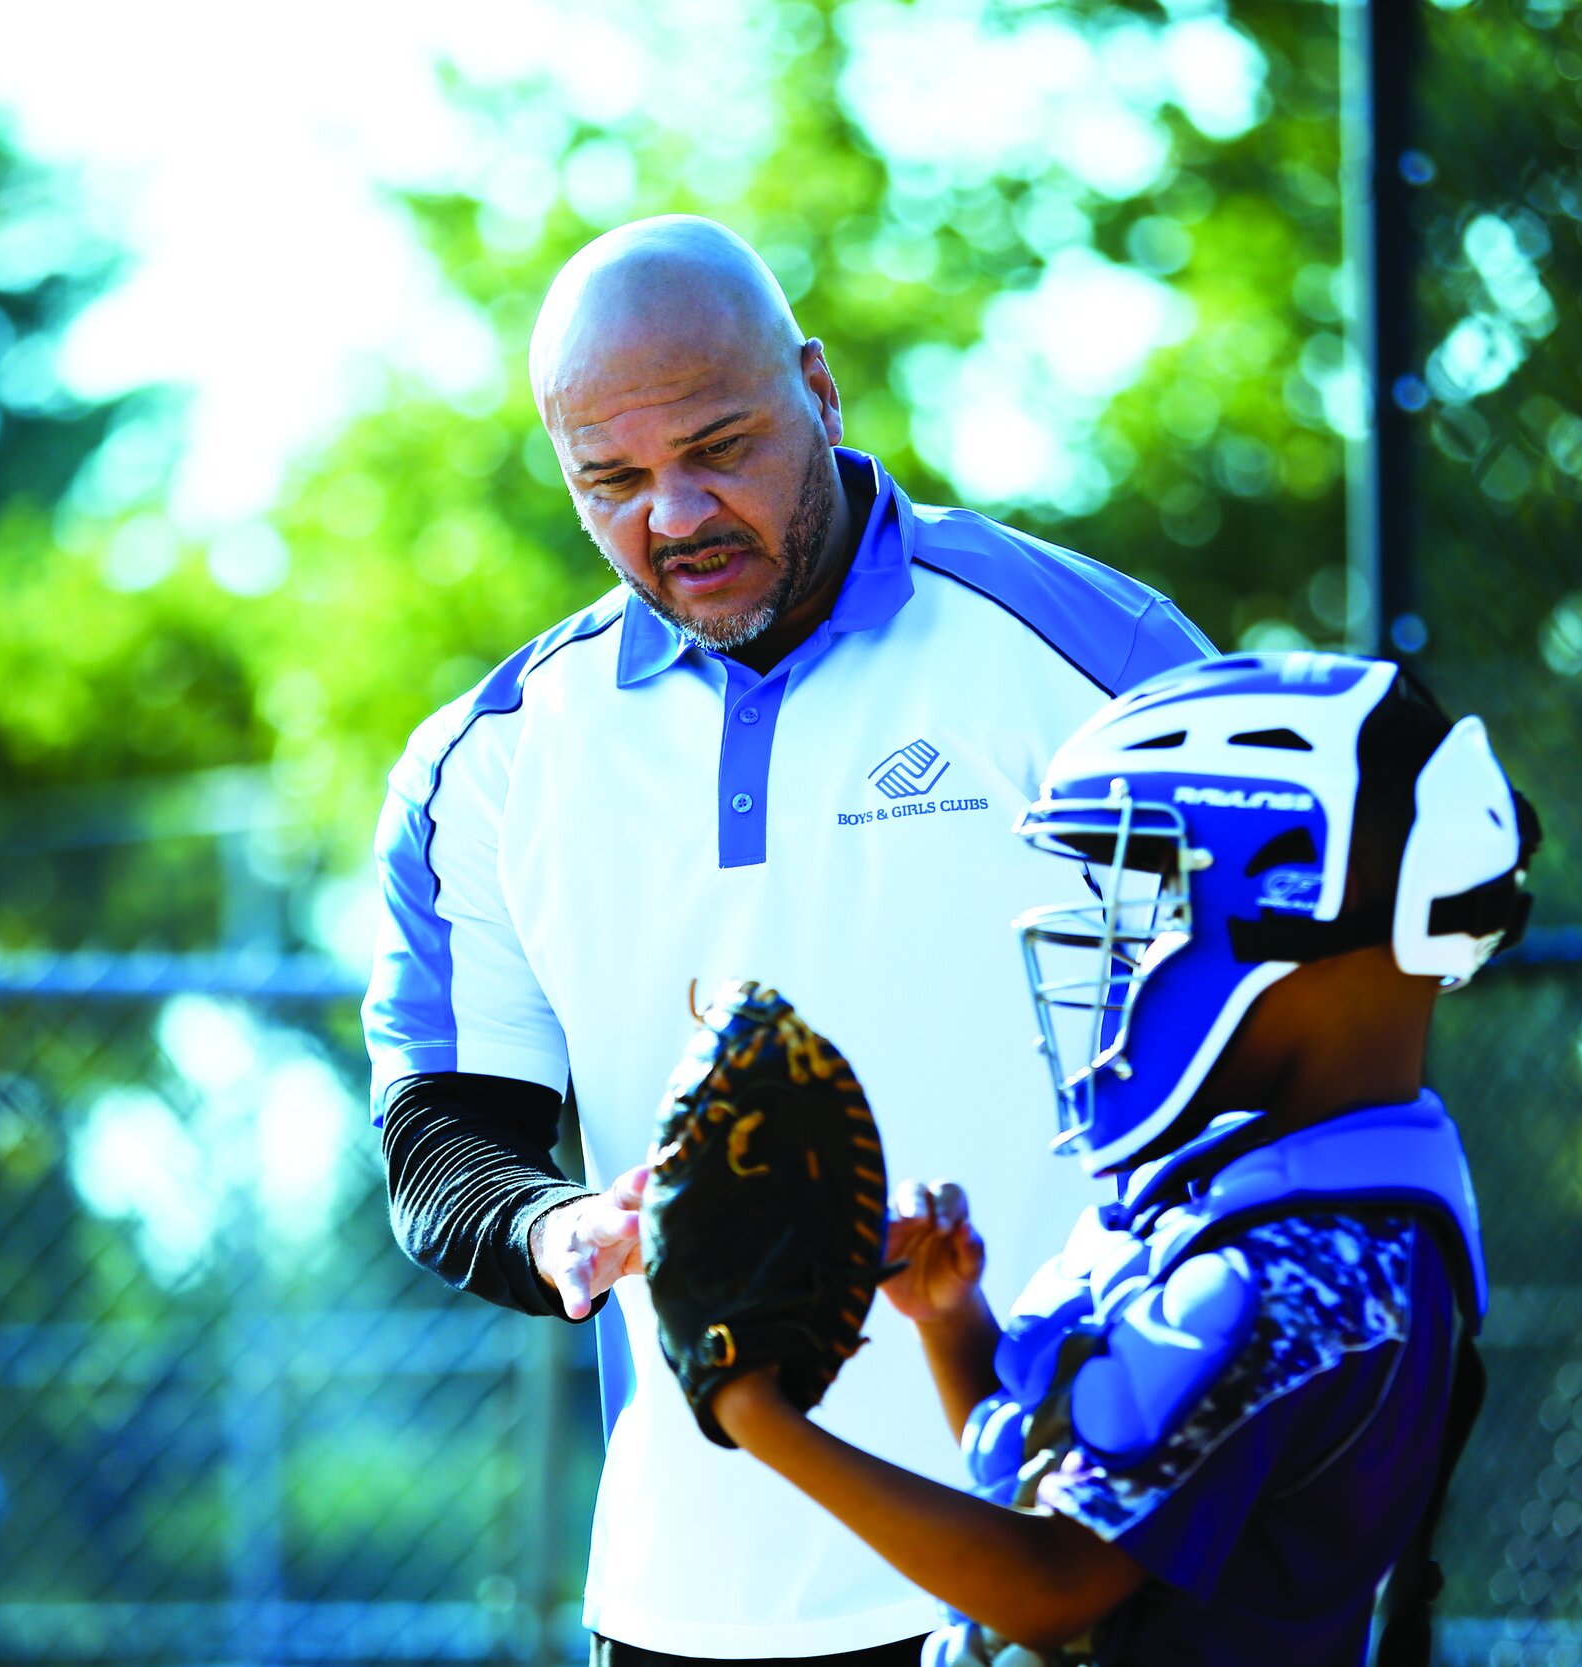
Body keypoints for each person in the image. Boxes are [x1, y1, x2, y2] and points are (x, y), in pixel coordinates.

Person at [363, 214, 1214, 1664]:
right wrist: (556, 1224)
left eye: (719, 444)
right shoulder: (488, 766)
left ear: (817, 391)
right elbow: (444, 1133)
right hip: (682, 1599)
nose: (676, 513)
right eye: (612, 479)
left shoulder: (1099, 664)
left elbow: (1268, 1050)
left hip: (1054, 1563)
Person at [697, 651, 1540, 1665]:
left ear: (1301, 897)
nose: (1129, 949)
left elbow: (1053, 1587)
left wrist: (752, 1408)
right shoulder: (1303, 1210)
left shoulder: (1287, 1271)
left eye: (1167, 898)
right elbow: (1065, 1484)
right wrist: (952, 1322)